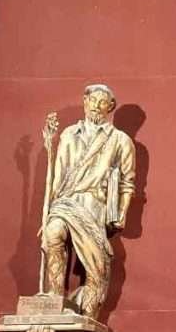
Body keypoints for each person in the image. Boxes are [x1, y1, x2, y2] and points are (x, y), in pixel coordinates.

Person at [40, 84, 136, 317]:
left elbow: (128, 183)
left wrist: (121, 214)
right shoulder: (68, 135)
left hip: (95, 205)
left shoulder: (120, 140)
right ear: (85, 102)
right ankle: (54, 297)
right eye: (92, 100)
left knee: (96, 265)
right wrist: (49, 211)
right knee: (53, 232)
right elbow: (58, 174)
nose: (96, 106)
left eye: (102, 102)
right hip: (66, 202)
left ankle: (89, 314)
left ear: (110, 107)